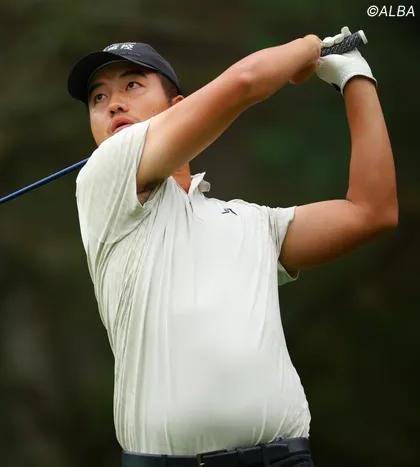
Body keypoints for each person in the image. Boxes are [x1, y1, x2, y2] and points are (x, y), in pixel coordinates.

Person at [67, 26, 397, 467]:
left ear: (178, 107)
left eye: (131, 85)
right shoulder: (103, 178)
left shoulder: (252, 223)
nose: (114, 104)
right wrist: (309, 48)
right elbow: (244, 83)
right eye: (98, 98)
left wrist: (355, 76)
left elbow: (372, 211)